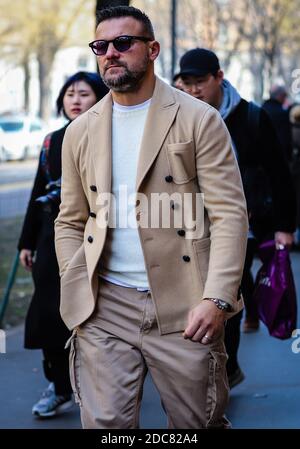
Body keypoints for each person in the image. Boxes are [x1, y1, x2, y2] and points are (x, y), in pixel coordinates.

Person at [55, 6, 248, 429]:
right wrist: (75, 281)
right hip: (105, 304)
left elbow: (230, 215)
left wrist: (217, 298)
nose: (111, 53)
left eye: (123, 43)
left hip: (185, 303)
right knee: (106, 424)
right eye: (101, 46)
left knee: (196, 423)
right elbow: (70, 219)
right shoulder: (80, 131)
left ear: (153, 49)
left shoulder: (198, 118)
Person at [177, 48, 296, 388]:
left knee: (225, 295)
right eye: (188, 83)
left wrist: (284, 226)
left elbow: (279, 173)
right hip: (190, 225)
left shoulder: (252, 118)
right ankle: (203, 366)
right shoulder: (179, 116)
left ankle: (224, 370)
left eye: (201, 82)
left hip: (241, 223)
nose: (195, 90)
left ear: (219, 77)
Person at [18, 71, 108, 418]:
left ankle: (100, 384)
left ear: (99, 97)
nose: (75, 100)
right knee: (47, 314)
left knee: (93, 316)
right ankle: (58, 385)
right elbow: (37, 193)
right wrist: (26, 242)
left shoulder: (109, 137)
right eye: (69, 94)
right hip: (52, 237)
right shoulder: (51, 141)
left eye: (84, 94)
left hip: (97, 238)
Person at [262, 84, 292, 161]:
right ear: (280, 96)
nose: (285, 99)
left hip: (264, 154)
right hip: (279, 155)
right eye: (284, 96)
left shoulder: (262, 109)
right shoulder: (282, 113)